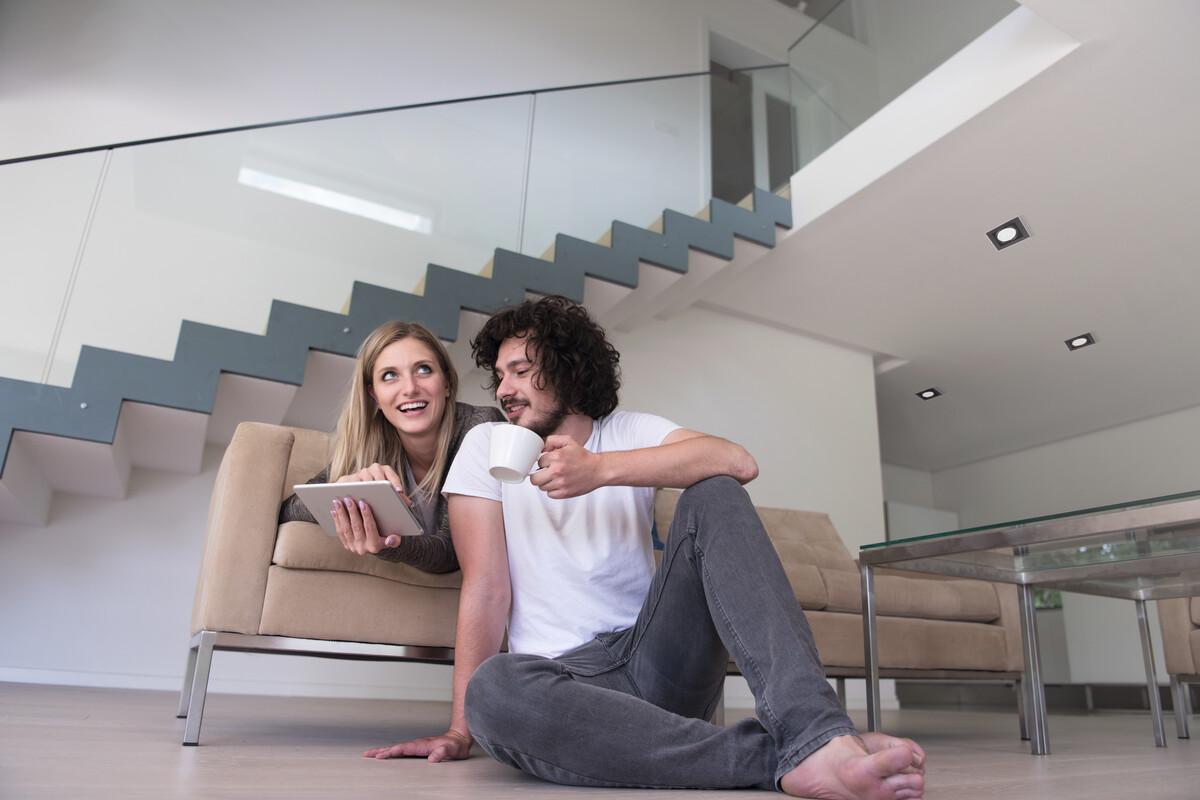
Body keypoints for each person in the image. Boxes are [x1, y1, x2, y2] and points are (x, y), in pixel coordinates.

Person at [367, 297, 926, 799]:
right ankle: (798, 753)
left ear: (567, 368)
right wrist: (460, 730)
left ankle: (814, 730)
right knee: (494, 689)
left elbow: (738, 461)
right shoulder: (485, 445)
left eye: (521, 370)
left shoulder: (628, 431)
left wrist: (599, 470)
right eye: (499, 375)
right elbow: (486, 588)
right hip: (565, 686)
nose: (504, 389)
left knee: (715, 492)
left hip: (656, 658)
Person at [279, 320, 502, 572]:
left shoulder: (480, 427)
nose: (410, 388)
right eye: (389, 375)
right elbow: (289, 511)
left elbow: (453, 553)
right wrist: (341, 493)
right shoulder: (375, 444)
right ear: (374, 395)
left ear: (447, 383)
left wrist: (388, 544)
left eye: (424, 370)